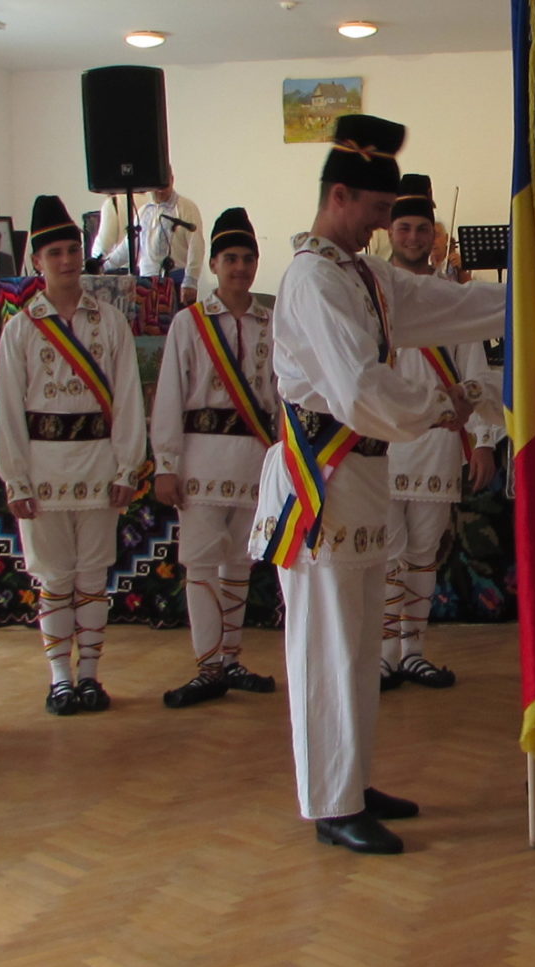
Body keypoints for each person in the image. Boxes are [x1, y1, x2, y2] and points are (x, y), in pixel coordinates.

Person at [250, 115, 506, 854]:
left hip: (361, 477)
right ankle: (331, 803)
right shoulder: (312, 279)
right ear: (338, 196)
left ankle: (354, 782)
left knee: (361, 648)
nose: (381, 227)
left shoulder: (363, 275)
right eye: (374, 211)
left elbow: (441, 306)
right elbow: (359, 389)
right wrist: (440, 405)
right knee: (327, 649)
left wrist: (529, 296)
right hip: (322, 479)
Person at [0, 195, 147, 716]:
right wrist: (15, 478)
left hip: (100, 468)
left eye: (72, 250)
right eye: (54, 252)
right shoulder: (20, 328)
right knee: (55, 579)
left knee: (92, 578)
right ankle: (60, 678)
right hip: (43, 473)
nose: (66, 260)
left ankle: (90, 676)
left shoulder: (111, 322)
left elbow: (128, 400)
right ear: (36, 260)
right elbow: (8, 411)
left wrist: (127, 467)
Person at [148, 205, 281, 710]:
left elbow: (280, 396)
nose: (240, 268)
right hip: (201, 462)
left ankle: (230, 659)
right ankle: (208, 666)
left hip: (253, 461)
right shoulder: (190, 323)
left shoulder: (272, 323)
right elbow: (168, 396)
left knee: (239, 563)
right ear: (214, 264)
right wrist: (165, 464)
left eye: (248, 258)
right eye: (231, 258)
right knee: (202, 564)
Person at [378, 174, 500, 692]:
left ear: (434, 234)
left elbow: (476, 372)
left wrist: (485, 442)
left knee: (423, 552)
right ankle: (383, 656)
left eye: (421, 228)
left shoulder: (453, 296)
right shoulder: (374, 292)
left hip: (439, 442)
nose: (412, 237)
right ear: (390, 231)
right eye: (404, 227)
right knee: (387, 553)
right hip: (384, 442)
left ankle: (413, 652)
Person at [103, 171, 203, 281]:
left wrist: (190, 281)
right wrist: (104, 266)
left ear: (172, 179)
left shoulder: (186, 207)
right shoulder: (144, 211)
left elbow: (196, 246)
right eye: (157, 186)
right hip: (146, 280)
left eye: (164, 185)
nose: (160, 190)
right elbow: (128, 247)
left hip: (176, 279)